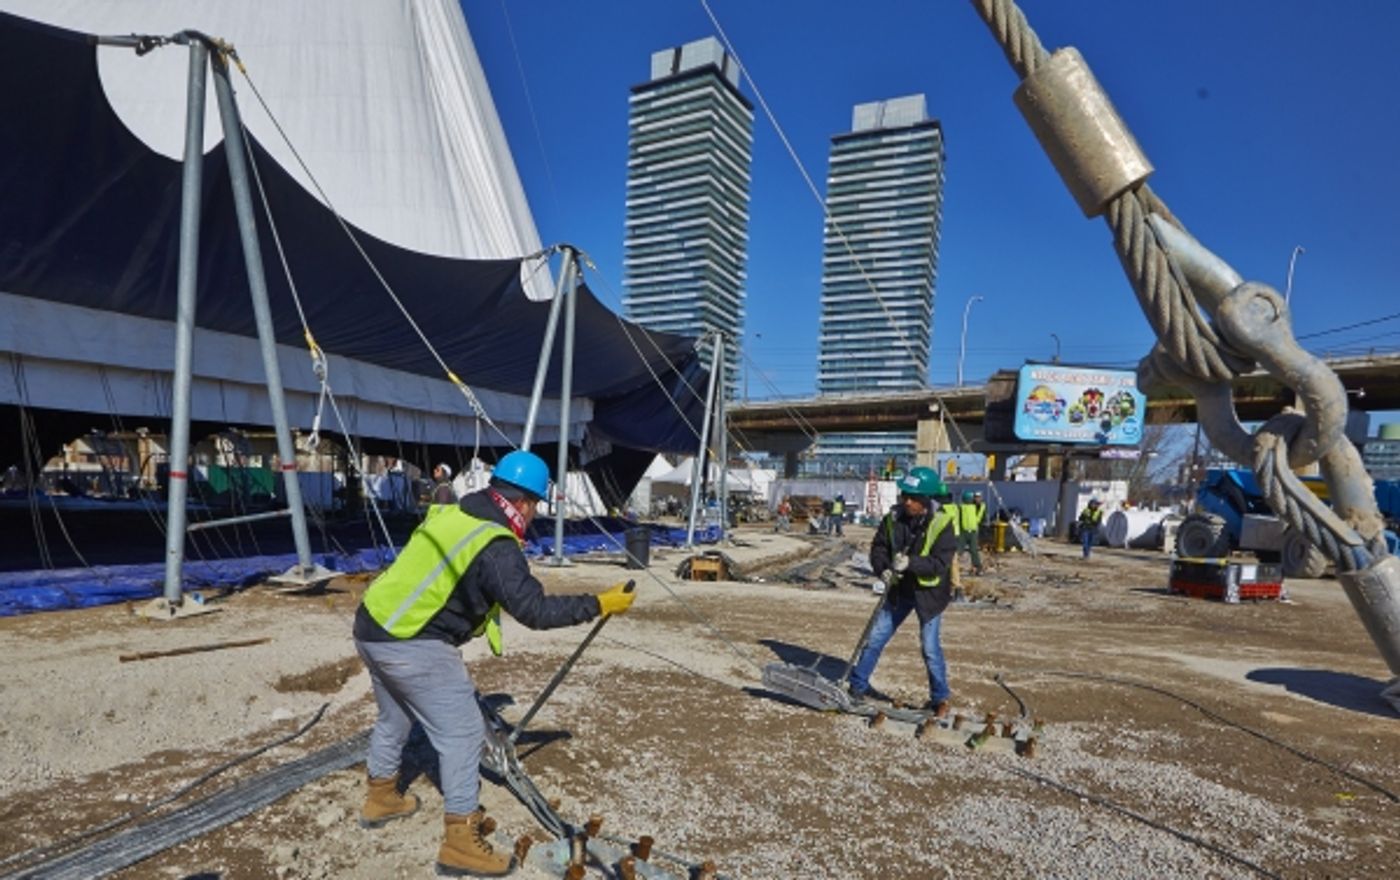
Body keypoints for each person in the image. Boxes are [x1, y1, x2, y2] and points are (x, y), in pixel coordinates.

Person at [353, 449, 636, 877]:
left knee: (396, 716)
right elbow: (534, 610)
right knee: (464, 735)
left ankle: (380, 795)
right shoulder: (495, 543)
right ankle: (461, 844)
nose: (535, 513)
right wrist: (599, 603)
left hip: (372, 627)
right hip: (414, 641)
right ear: (523, 502)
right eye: (537, 504)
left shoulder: (452, 514)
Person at [848, 466, 958, 716]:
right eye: (904, 496)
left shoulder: (942, 523)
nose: (907, 501)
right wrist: (882, 569)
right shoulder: (893, 518)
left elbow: (940, 564)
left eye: (913, 498)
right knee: (874, 639)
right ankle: (857, 687)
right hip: (899, 591)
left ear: (925, 499)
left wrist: (911, 563)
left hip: (929, 595)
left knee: (930, 648)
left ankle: (940, 699)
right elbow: (879, 547)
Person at [957, 490, 986, 575]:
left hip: (972, 531)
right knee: (960, 551)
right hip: (964, 531)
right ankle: (952, 567)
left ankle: (978, 567)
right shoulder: (961, 507)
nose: (975, 499)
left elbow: (980, 509)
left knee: (973, 550)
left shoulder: (977, 506)